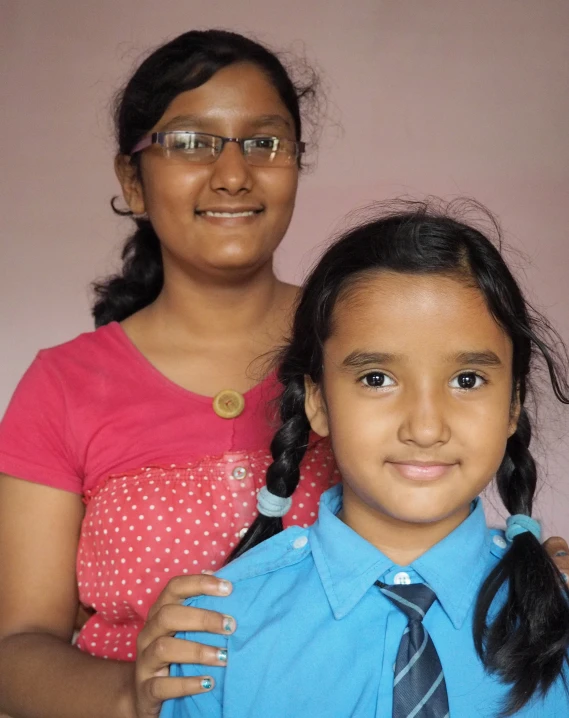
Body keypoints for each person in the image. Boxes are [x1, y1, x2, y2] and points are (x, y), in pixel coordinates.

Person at [0, 28, 566, 718]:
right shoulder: (62, 386)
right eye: (190, 142)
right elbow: (18, 643)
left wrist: (533, 577)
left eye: (263, 142)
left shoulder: (372, 333)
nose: (233, 173)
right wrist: (135, 692)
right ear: (132, 181)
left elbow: (444, 491)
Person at [160, 201, 569, 717]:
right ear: (317, 402)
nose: (424, 428)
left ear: (512, 406)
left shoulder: (558, 614)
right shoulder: (218, 627)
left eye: (467, 380)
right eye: (377, 379)